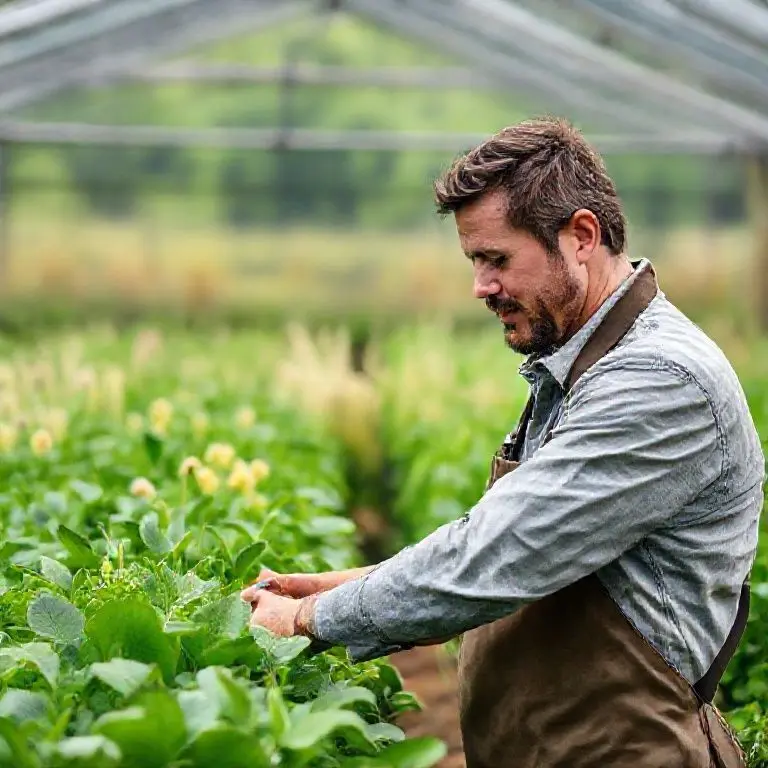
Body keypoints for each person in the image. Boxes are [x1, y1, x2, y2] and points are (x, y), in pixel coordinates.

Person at [241, 117, 764, 767]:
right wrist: (330, 586)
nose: (481, 287)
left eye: (497, 259)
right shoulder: (580, 366)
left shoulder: (658, 381)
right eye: (474, 262)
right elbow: (499, 538)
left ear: (580, 237)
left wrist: (306, 621)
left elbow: (499, 553)